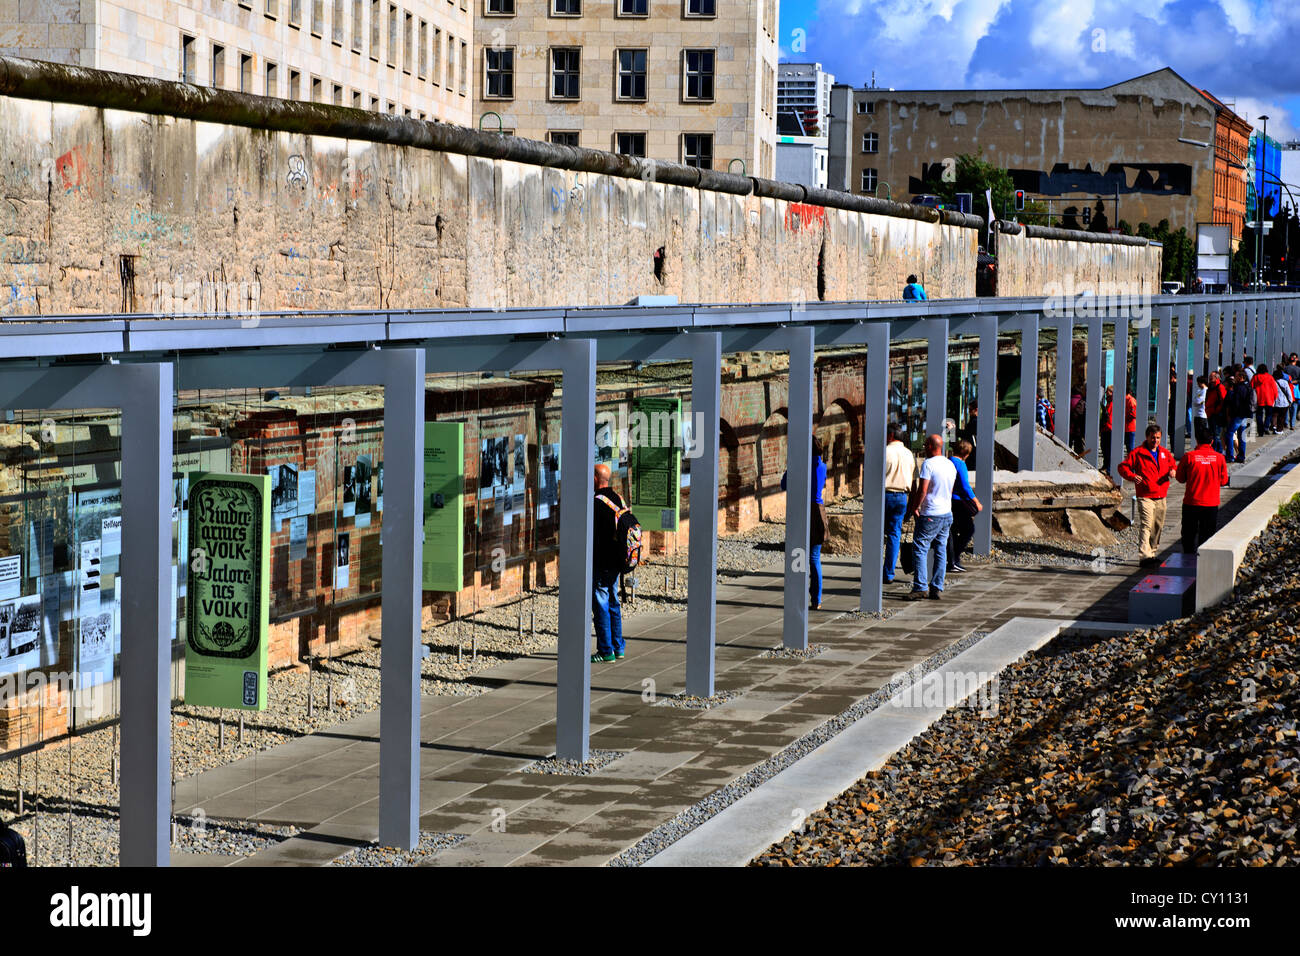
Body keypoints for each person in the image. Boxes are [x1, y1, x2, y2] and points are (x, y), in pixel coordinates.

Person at [1117, 424, 1176, 567]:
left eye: (1158, 438)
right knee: (1146, 524)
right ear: (1147, 437)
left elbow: (1172, 464)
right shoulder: (1137, 453)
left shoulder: (1164, 453)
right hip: (1145, 495)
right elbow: (1122, 467)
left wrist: (1173, 471)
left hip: (1161, 494)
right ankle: (1144, 556)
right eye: (1152, 438)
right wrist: (1132, 476)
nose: (1155, 440)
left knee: (1158, 525)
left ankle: (1152, 552)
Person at [906, 434, 956, 600]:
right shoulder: (950, 464)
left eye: (926, 445)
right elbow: (949, 490)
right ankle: (936, 586)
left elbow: (923, 489)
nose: (924, 448)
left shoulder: (928, 464)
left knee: (920, 547)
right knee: (941, 549)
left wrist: (915, 507)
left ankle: (920, 586)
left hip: (931, 513)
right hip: (946, 513)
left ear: (930, 446)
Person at [781, 437, 828, 609]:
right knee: (814, 558)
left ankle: (797, 595)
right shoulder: (822, 466)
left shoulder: (798, 466)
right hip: (818, 511)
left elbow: (784, 484)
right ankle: (816, 599)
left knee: (797, 554)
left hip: (800, 511)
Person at [1176, 420, 1229, 553]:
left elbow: (1180, 478)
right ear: (1212, 442)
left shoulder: (1189, 456)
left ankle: (1187, 557)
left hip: (1191, 501)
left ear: (1197, 440)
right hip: (1211, 503)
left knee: (1188, 533)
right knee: (1207, 533)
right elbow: (1223, 481)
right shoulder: (1219, 458)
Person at [591, 464, 626, 663]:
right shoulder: (618, 498)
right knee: (613, 601)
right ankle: (618, 646)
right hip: (617, 561)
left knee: (601, 604)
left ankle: (605, 651)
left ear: (596, 478)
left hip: (602, 561)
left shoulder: (596, 502)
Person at [882, 424, 916, 584]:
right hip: (902, 496)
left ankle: (873, 569)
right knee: (895, 534)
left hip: (884, 495)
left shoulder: (884, 452)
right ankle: (888, 573)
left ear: (890, 436)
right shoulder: (909, 454)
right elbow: (914, 480)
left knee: (876, 533)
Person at [947, 439, 981, 573]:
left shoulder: (948, 461)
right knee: (968, 530)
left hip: (949, 501)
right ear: (966, 454)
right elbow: (965, 486)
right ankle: (954, 557)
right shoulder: (960, 464)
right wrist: (976, 501)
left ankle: (951, 560)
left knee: (954, 531)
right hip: (959, 501)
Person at [1226, 368, 1254, 463]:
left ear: (1241, 377)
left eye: (1237, 376)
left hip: (1238, 415)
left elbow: (1236, 403)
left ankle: (1230, 456)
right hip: (1246, 414)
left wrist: (1231, 414)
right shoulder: (1248, 386)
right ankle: (1241, 456)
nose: (1235, 378)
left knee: (1229, 433)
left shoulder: (1238, 388)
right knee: (1242, 436)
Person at [1251, 362, 1279, 435]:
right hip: (1269, 399)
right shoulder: (1270, 377)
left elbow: (1251, 387)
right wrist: (1275, 397)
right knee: (1269, 414)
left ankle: (1260, 430)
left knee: (1259, 415)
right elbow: (1275, 389)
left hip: (1259, 398)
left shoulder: (1255, 377)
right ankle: (1266, 427)